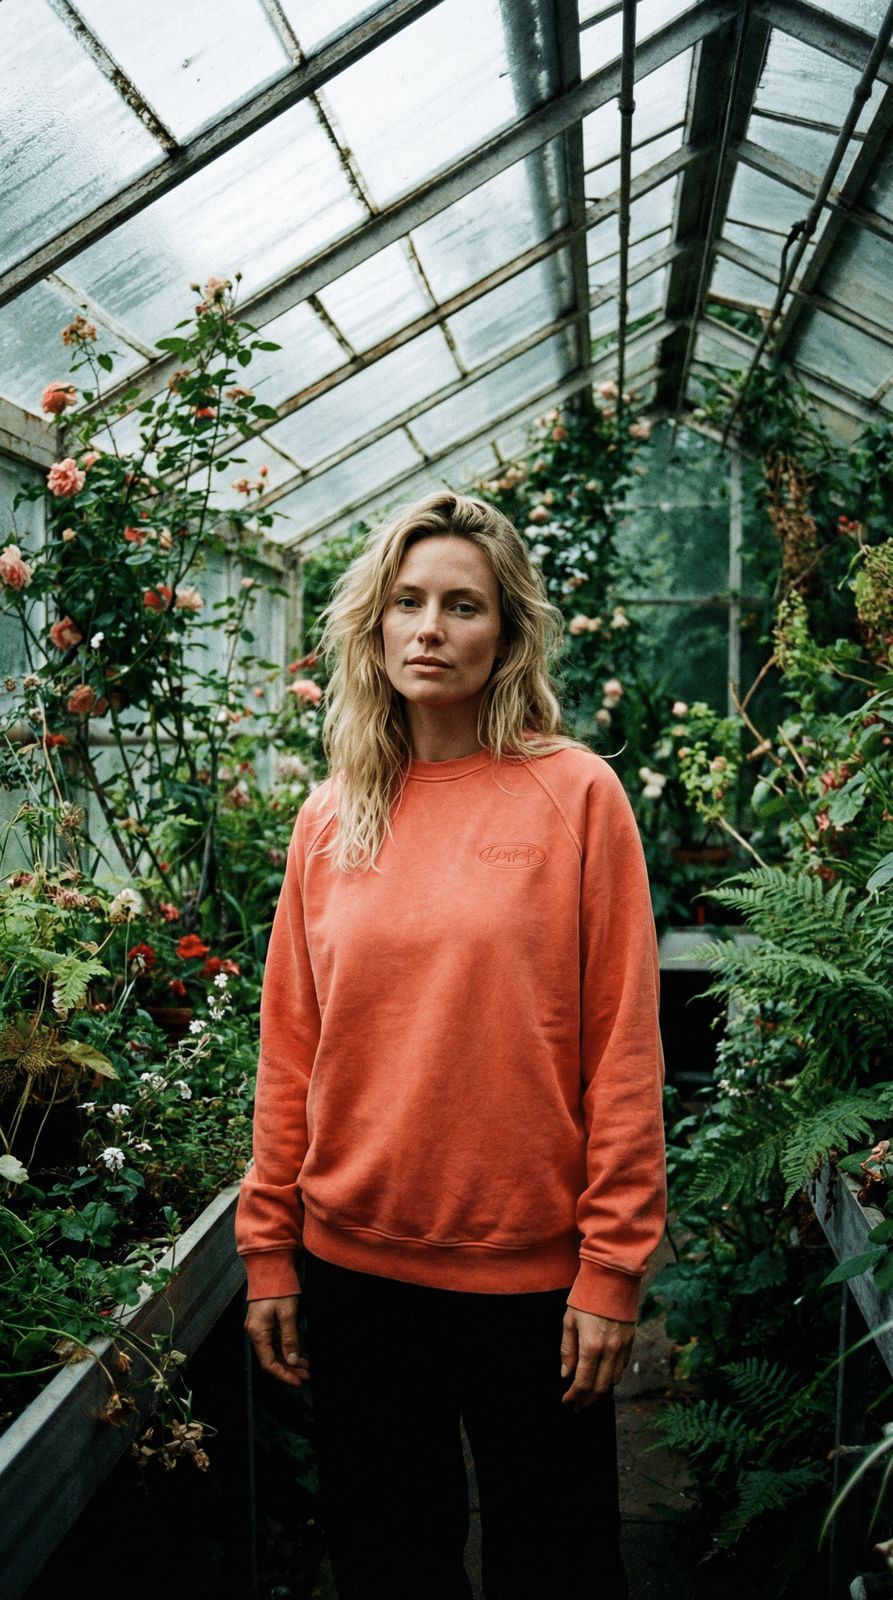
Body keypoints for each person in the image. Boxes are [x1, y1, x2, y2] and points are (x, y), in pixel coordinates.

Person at [237, 490, 666, 1600]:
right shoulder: (331, 817)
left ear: (507, 631)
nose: (429, 626)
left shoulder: (577, 795)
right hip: (353, 1269)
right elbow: (289, 1049)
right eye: (408, 601)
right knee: (387, 1562)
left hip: (530, 1278)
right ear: (372, 629)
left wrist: (611, 1270)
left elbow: (622, 1049)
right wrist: (267, 1248)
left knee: (558, 1565)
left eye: (462, 604)